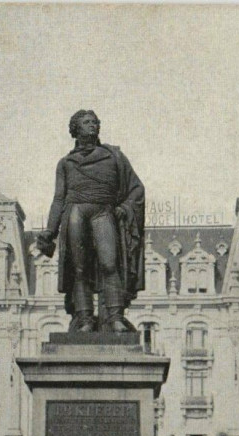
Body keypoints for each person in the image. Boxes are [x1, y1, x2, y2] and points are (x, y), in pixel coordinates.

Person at [37, 110, 145, 332]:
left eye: (95, 122)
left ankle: (115, 317)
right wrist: (50, 230)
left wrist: (124, 208)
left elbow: (136, 189)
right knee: (79, 269)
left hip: (103, 212)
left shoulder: (114, 157)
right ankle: (85, 319)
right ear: (75, 128)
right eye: (87, 122)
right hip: (75, 212)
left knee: (110, 264)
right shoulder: (65, 163)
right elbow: (59, 198)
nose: (92, 125)